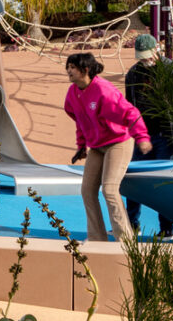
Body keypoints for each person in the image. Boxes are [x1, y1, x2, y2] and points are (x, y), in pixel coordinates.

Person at [63, 51, 152, 242]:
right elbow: (80, 120)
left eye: (73, 67)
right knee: (87, 190)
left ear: (85, 70)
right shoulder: (72, 93)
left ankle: (126, 240)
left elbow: (131, 113)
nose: (68, 71)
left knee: (110, 189)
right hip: (97, 145)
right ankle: (97, 238)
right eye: (68, 67)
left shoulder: (104, 91)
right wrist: (81, 145)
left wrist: (142, 137)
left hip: (119, 142)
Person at [123, 35, 173, 240]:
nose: (144, 60)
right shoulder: (134, 73)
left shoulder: (171, 70)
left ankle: (167, 229)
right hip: (143, 135)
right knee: (134, 180)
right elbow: (130, 106)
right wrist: (136, 134)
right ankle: (131, 225)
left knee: (164, 183)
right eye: (141, 57)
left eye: (147, 56)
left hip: (167, 134)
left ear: (157, 50)